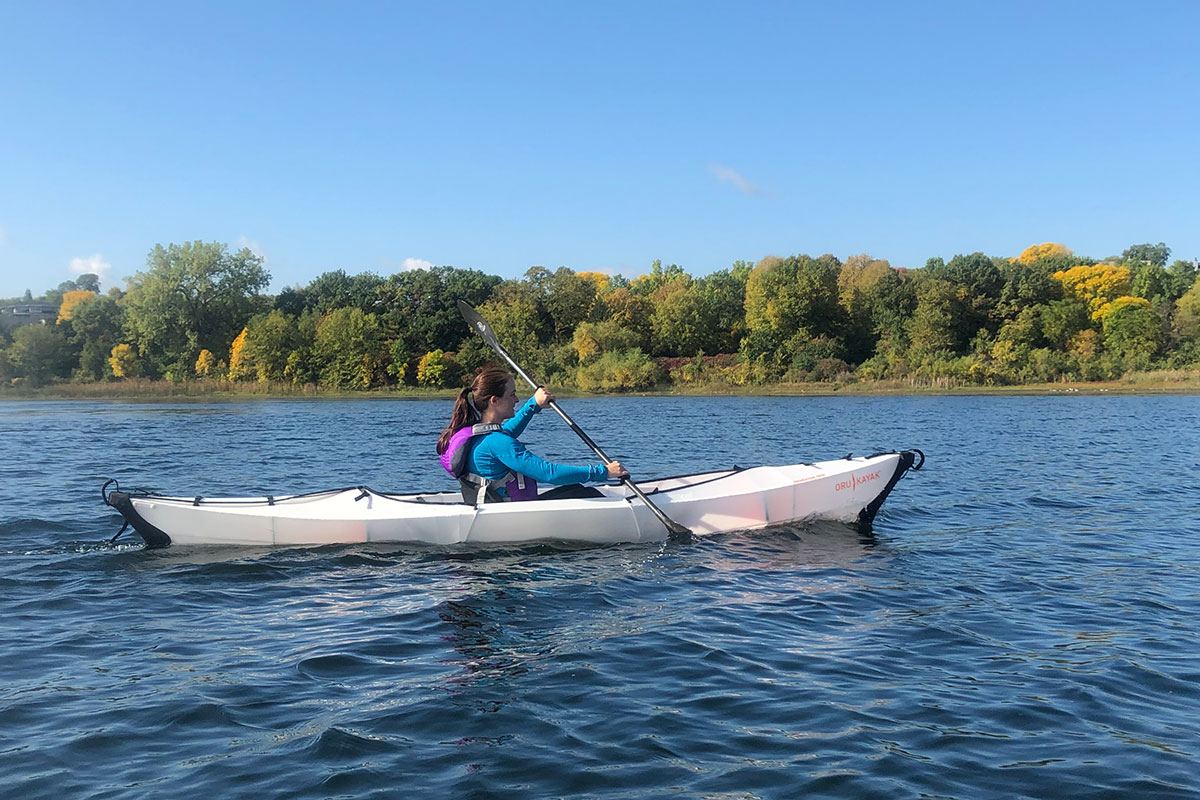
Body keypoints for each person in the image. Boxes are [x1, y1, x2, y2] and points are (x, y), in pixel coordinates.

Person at [437, 367, 627, 504]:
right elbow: (549, 473)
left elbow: (508, 432)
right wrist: (604, 472)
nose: (516, 399)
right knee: (589, 494)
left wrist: (533, 404)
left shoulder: (481, 435)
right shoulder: (498, 442)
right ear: (494, 401)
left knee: (577, 490)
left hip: (497, 507)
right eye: (512, 394)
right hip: (509, 515)